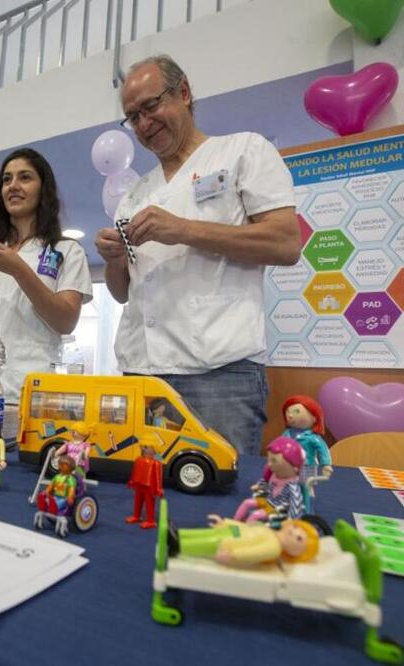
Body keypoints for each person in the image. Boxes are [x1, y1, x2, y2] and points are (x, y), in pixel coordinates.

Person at [95, 55, 300, 456]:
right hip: (142, 374)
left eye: (151, 107)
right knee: (145, 494)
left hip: (219, 376)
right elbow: (122, 294)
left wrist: (183, 229)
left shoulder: (243, 151)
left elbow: (286, 243)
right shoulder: (134, 195)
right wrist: (115, 258)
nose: (143, 124)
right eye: (132, 117)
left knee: (215, 497)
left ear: (184, 93)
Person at [0, 148, 93, 402]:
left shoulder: (66, 250)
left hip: (26, 390)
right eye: (6, 179)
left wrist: (19, 270)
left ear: (43, 189)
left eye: (25, 177)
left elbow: (66, 320)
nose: (13, 186)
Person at [176, 516, 319, 567]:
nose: (293, 531)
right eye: (295, 527)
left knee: (204, 542)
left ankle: (177, 545)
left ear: (297, 553)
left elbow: (253, 553)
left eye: (298, 538)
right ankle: (179, 534)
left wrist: (233, 555)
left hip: (231, 543)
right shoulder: (269, 530)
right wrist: (226, 522)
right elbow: (246, 526)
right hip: (230, 533)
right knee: (203, 534)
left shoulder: (274, 548)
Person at [234, 436, 305, 523]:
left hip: (277, 509)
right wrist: (260, 486)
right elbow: (265, 482)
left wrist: (292, 521)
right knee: (247, 502)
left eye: (274, 461)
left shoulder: (292, 486)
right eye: (269, 460)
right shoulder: (274, 474)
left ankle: (248, 532)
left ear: (294, 467)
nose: (269, 464)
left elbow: (296, 505)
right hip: (267, 501)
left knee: (255, 515)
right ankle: (235, 521)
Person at [281, 395, 332, 477]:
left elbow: (323, 450)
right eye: (288, 411)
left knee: (306, 486)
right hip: (289, 465)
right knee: (290, 485)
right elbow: (278, 447)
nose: (290, 415)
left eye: (297, 412)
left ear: (314, 418)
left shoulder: (313, 438)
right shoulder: (287, 434)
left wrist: (325, 465)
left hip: (307, 466)